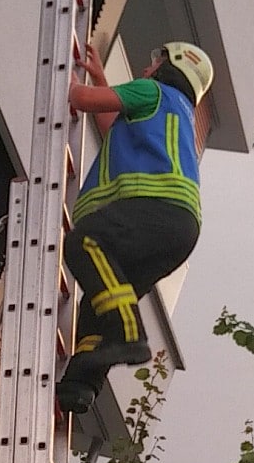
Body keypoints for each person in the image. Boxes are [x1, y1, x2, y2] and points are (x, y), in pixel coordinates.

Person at [56, 38, 213, 415]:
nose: (146, 68)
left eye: (154, 61)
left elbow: (84, 100)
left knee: (84, 243)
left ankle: (129, 335)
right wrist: (101, 80)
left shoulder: (151, 91)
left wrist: (62, 79)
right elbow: (111, 122)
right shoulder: (175, 111)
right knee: (99, 303)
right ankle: (81, 386)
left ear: (171, 66)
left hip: (155, 209)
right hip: (176, 228)